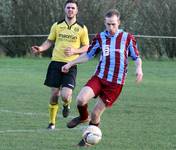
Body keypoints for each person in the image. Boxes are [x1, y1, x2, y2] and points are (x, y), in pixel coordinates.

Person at [62, 9, 143, 146]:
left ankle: (87, 140)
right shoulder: (100, 37)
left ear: (119, 23)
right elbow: (88, 55)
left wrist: (138, 68)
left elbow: (136, 57)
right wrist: (70, 63)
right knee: (81, 100)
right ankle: (83, 117)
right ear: (104, 23)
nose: (111, 27)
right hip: (99, 77)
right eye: (108, 24)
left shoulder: (127, 38)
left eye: (113, 24)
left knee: (95, 114)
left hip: (115, 84)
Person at [31, 0, 89, 130]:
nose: (70, 10)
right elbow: (49, 41)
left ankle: (66, 104)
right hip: (55, 63)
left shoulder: (82, 28)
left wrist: (75, 51)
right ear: (64, 9)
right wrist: (40, 49)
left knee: (65, 95)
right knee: (54, 95)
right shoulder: (57, 25)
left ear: (77, 10)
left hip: (71, 64)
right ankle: (52, 123)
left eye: (73, 8)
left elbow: (86, 47)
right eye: (68, 7)